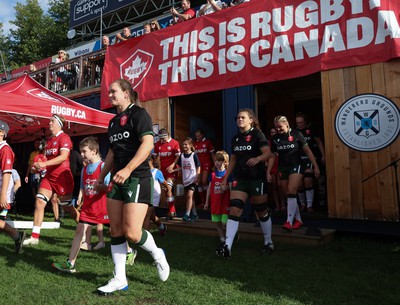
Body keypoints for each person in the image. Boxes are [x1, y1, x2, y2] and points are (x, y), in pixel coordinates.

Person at [96, 79, 169, 295]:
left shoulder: (138, 114)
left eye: (114, 91)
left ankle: (157, 254)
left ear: (127, 93)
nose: (110, 95)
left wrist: (128, 169)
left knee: (133, 234)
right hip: (117, 179)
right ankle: (119, 278)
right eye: (109, 92)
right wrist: (101, 177)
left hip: (137, 176)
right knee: (115, 230)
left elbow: (148, 144)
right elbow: (111, 152)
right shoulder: (113, 122)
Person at [217, 109, 274, 258]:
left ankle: (268, 242)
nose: (240, 119)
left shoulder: (257, 134)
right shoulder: (236, 138)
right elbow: (233, 159)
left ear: (251, 120)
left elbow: (268, 153)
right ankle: (227, 247)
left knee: (261, 210)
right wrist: (225, 179)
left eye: (243, 117)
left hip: (257, 178)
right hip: (240, 178)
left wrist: (258, 159)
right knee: (235, 208)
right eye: (238, 117)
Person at [51, 136, 111, 273]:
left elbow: (109, 188)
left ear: (94, 151)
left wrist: (100, 186)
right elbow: (83, 186)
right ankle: (70, 263)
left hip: (104, 208)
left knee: (116, 232)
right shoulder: (85, 169)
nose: (81, 155)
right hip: (88, 208)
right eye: (81, 152)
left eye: (84, 151)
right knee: (79, 232)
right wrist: (80, 196)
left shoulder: (103, 167)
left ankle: (129, 251)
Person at [23, 114, 80, 246]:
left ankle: (85, 228)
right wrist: (37, 167)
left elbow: (63, 157)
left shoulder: (64, 137)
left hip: (62, 177)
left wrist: (44, 165)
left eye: (52, 121)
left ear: (59, 124)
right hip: (49, 177)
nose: (49, 123)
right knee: (39, 202)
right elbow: (46, 160)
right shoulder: (48, 141)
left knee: (68, 208)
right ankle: (34, 237)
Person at [268, 115, 320, 231]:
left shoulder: (297, 134)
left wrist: (315, 166)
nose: (278, 130)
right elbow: (272, 156)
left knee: (292, 191)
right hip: (283, 168)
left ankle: (288, 221)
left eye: (280, 127)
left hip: (296, 165)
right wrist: (268, 172)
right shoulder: (275, 138)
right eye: (276, 127)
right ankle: (298, 219)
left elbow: (307, 151)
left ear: (287, 124)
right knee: (288, 194)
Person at [0, 119, 26, 253]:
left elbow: (6, 174)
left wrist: (3, 195)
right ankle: (17, 236)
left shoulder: (5, 150)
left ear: (1, 133)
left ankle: (17, 236)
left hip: (2, 192)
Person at [295, 112, 326, 212]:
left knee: (308, 181)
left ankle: (309, 206)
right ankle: (302, 205)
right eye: (298, 123)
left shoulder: (311, 130)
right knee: (299, 184)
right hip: (298, 159)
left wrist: (323, 155)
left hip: (310, 158)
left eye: (301, 122)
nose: (300, 124)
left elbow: (319, 142)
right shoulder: (294, 132)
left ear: (305, 122)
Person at [204, 150, 231, 248]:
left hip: (225, 202)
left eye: (219, 160)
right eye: (216, 160)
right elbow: (209, 189)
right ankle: (222, 240)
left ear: (225, 162)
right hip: (215, 203)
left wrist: (226, 188)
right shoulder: (212, 175)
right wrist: (207, 202)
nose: (217, 162)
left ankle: (230, 239)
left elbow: (231, 188)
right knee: (217, 223)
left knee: (224, 224)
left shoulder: (227, 174)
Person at [153, 128, 181, 220]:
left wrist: (172, 166)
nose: (162, 141)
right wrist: (155, 163)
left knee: (168, 187)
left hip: (172, 171)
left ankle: (172, 212)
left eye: (163, 139)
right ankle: (172, 211)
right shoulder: (157, 144)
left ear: (168, 136)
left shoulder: (174, 143)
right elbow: (155, 156)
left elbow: (178, 157)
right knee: (166, 191)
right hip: (163, 171)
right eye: (160, 139)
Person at [171, 137, 200, 222]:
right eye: (183, 144)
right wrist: (173, 170)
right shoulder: (182, 156)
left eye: (186, 144)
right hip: (185, 180)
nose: (184, 146)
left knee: (189, 196)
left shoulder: (194, 155)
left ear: (190, 145)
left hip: (192, 179)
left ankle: (187, 214)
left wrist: (197, 176)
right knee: (191, 198)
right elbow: (181, 168)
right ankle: (194, 214)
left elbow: (198, 166)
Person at [143, 157, 170, 235]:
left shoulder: (157, 172)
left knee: (147, 215)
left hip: (154, 196)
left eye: (146, 161)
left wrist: (169, 190)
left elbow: (164, 182)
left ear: (151, 161)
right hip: (146, 195)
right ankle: (162, 227)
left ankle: (146, 237)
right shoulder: (144, 172)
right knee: (152, 216)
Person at [193, 128, 215, 208]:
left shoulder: (208, 142)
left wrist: (215, 164)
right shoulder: (195, 144)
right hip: (198, 165)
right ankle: (203, 202)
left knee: (204, 181)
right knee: (198, 183)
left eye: (199, 136)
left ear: (202, 135)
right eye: (196, 136)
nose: (197, 137)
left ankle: (208, 201)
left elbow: (212, 154)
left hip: (207, 164)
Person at [268, 127, 286, 212]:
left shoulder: (280, 141)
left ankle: (283, 204)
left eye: (275, 132)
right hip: (272, 165)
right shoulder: (268, 143)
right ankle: (277, 205)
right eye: (272, 132)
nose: (273, 134)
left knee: (280, 185)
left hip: (280, 164)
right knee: (274, 186)